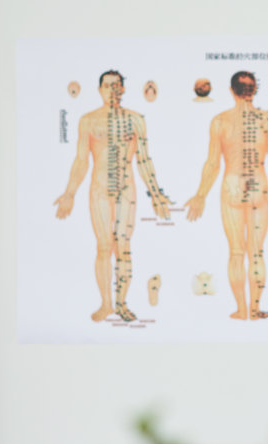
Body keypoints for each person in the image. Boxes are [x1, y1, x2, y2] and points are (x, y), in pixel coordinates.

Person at [184, 70, 268, 320]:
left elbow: (212, 164)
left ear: (232, 91)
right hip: (258, 187)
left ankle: (242, 309)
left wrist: (200, 195)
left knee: (236, 253)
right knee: (256, 252)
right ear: (254, 90)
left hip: (231, 185)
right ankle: (254, 308)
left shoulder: (219, 121)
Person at [54, 69, 173, 323]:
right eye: (108, 86)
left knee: (123, 248)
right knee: (103, 246)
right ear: (99, 90)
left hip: (125, 189)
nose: (113, 90)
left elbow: (143, 160)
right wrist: (69, 193)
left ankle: (121, 303)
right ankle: (106, 304)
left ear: (123, 89)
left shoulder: (136, 120)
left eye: (117, 85)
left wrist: (156, 194)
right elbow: (81, 160)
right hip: (98, 190)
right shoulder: (88, 120)